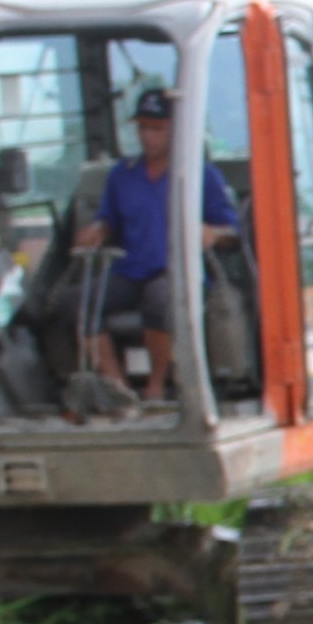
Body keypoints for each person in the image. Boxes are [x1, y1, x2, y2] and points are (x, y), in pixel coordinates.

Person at [73, 85, 241, 406]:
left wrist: (213, 234)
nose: (149, 137)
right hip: (132, 268)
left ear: (176, 130)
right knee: (78, 302)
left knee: (160, 299)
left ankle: (156, 384)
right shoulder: (123, 174)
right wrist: (97, 230)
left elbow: (233, 232)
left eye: (157, 129)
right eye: (143, 128)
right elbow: (108, 220)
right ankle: (116, 385)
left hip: (177, 273)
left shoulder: (201, 175)